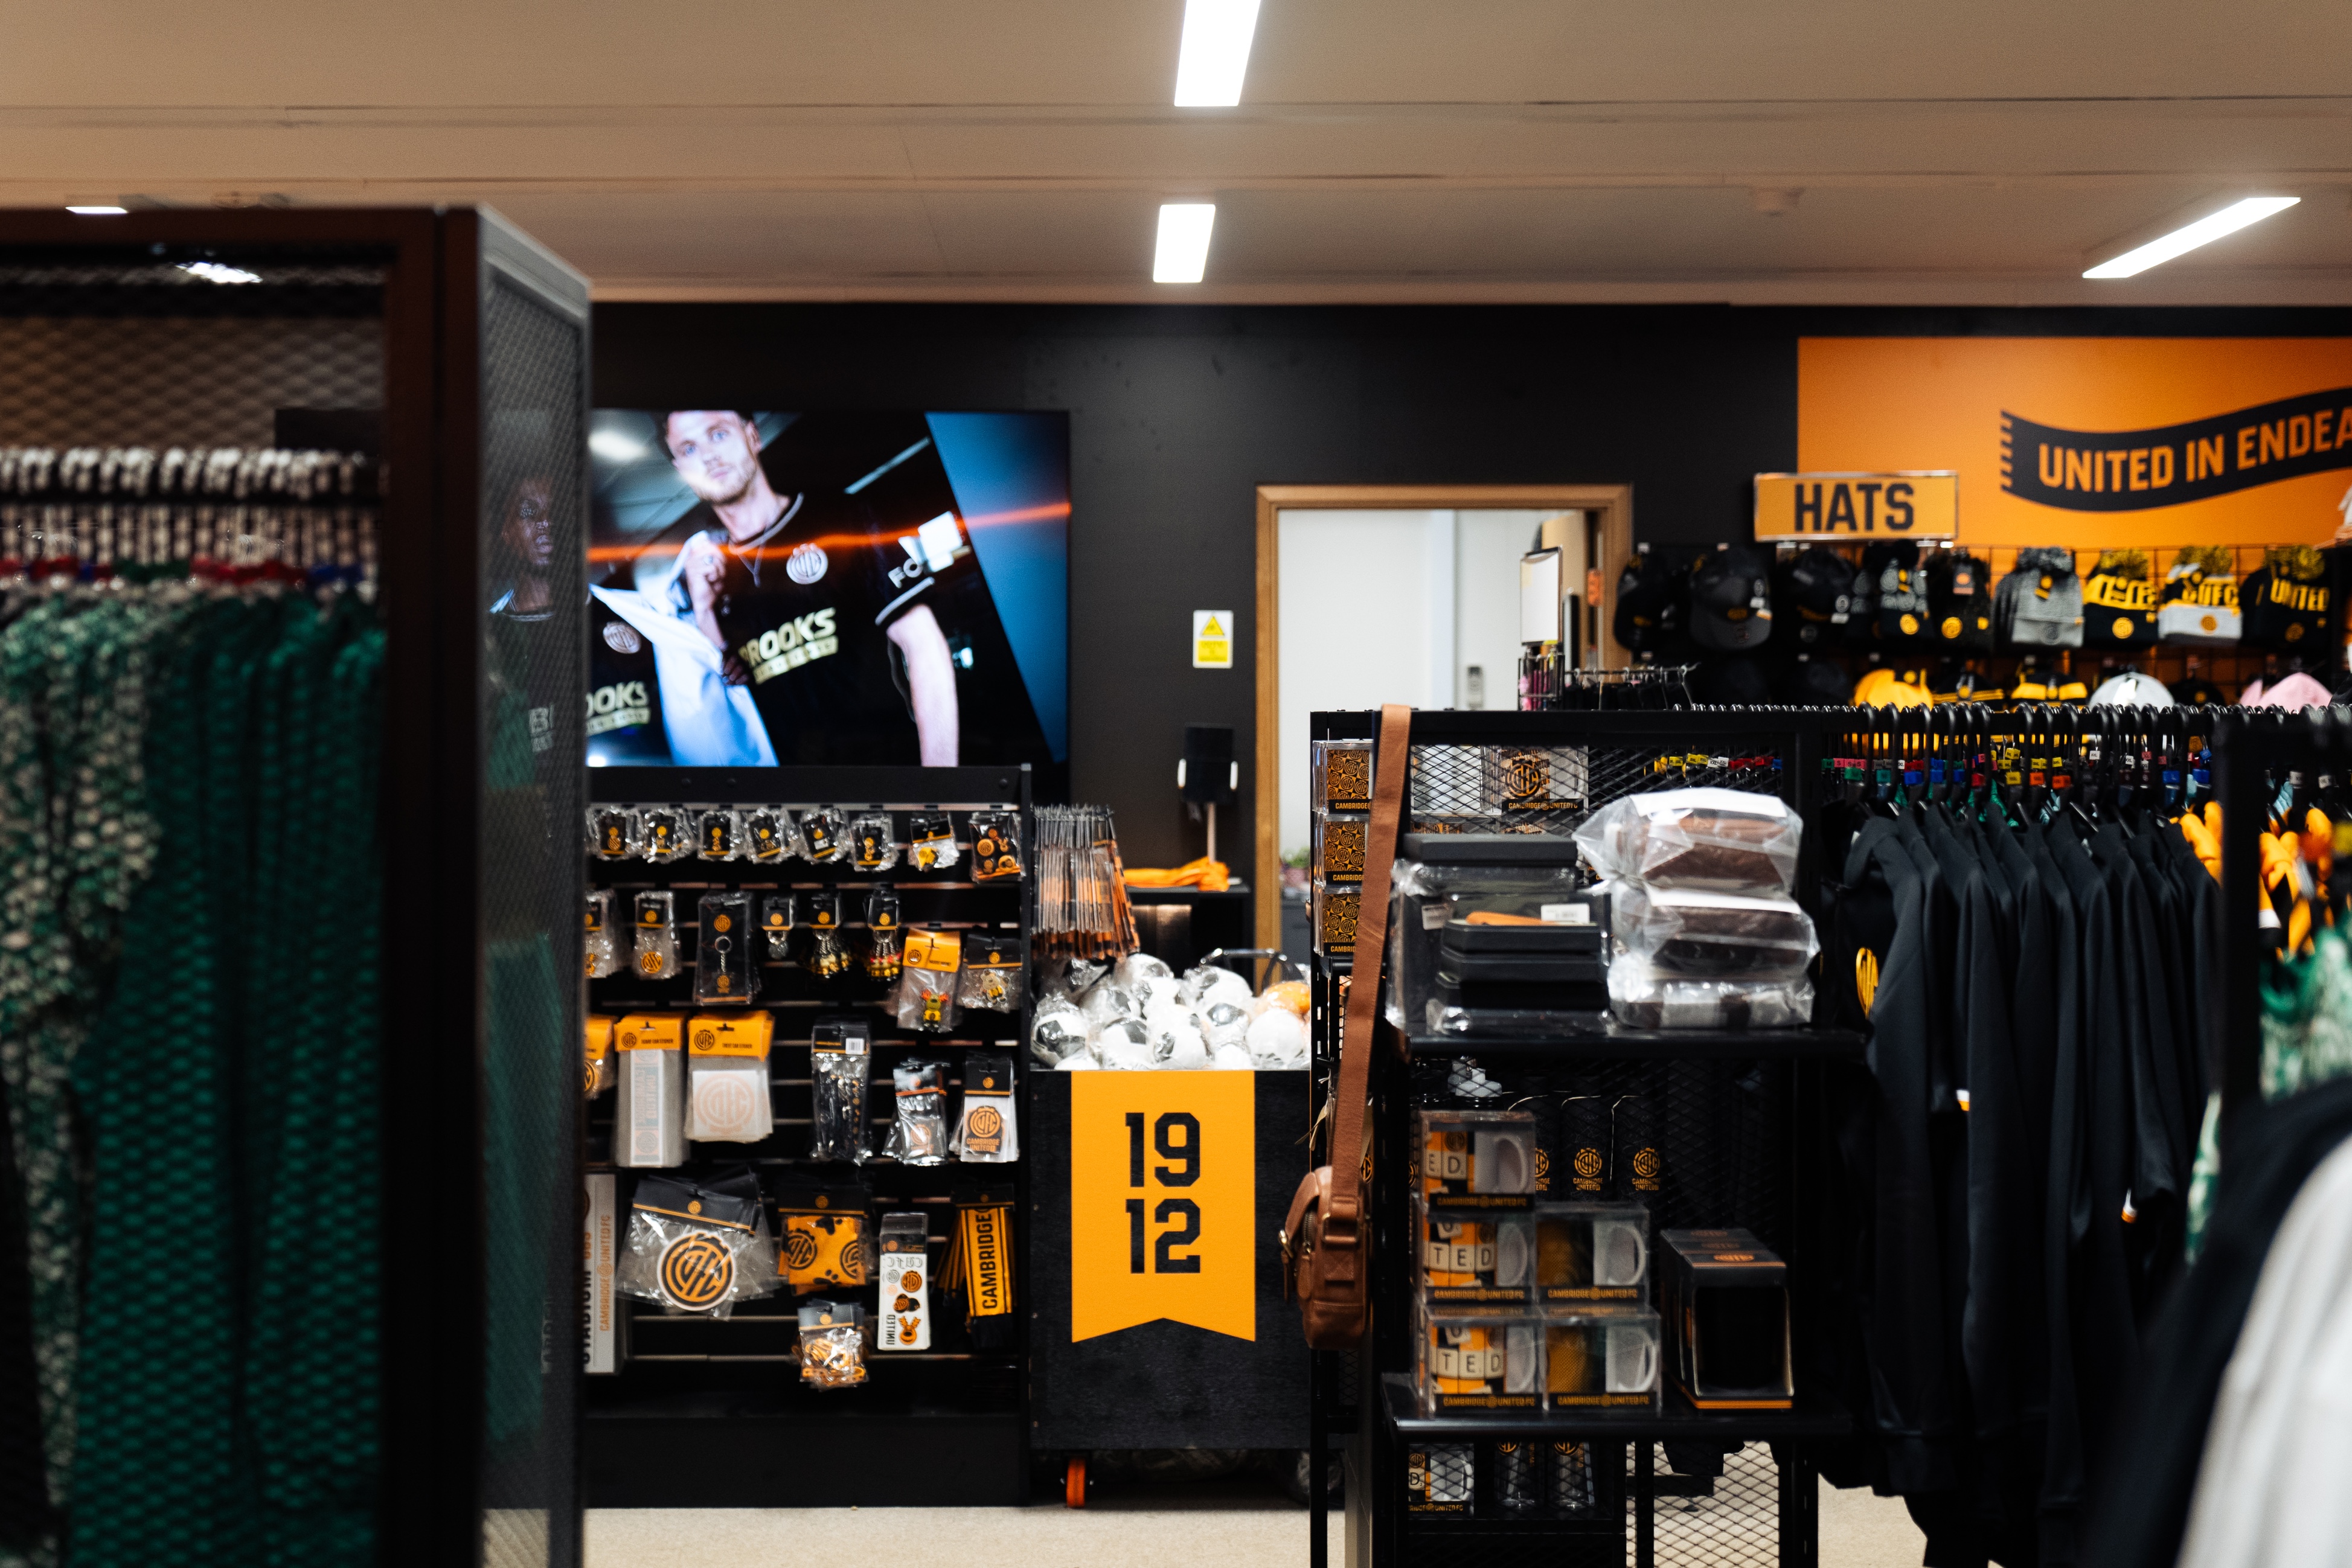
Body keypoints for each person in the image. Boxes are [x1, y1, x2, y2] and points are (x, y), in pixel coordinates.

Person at [658, 410, 960, 766]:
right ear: (681, 470)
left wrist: (939, 791)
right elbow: (725, 700)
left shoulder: (840, 519)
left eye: (719, 434)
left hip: (886, 774)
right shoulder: (709, 576)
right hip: (792, 801)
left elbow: (924, 645)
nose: (708, 455)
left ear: (752, 436)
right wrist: (704, 608)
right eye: (689, 448)